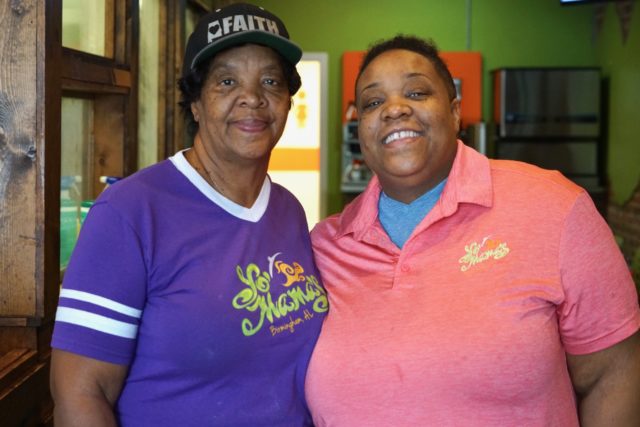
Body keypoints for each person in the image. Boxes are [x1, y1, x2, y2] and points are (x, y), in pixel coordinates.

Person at [305, 35, 640, 426]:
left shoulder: (554, 207)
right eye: (373, 102)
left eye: (416, 92)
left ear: (454, 112)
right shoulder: (324, 246)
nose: (395, 109)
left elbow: (612, 373)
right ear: (360, 128)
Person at [50, 3, 327, 426]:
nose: (252, 97)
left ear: (288, 102)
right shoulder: (129, 213)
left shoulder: (287, 209)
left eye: (270, 81)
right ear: (195, 103)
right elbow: (79, 396)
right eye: (227, 81)